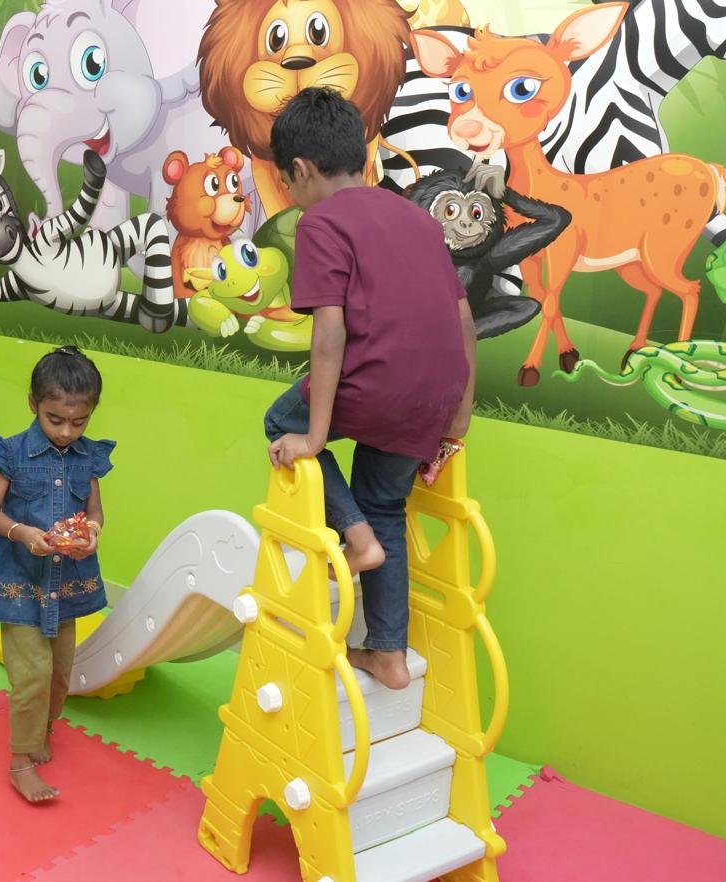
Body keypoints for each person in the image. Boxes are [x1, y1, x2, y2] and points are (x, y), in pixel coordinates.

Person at [263, 87, 476, 690]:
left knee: (281, 423)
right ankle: (389, 655)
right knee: (384, 504)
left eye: (287, 182)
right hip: (432, 398)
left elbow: (330, 330)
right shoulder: (417, 218)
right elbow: (463, 321)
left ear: (301, 170)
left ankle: (356, 540)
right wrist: (458, 419)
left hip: (373, 385)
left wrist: (315, 436)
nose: (291, 193)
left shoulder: (321, 221)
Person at [0, 346, 113, 802]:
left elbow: (94, 511)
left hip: (68, 582)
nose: (67, 431)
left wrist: (91, 532)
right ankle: (20, 761)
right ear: (33, 404)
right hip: (20, 580)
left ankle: (42, 729)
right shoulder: (11, 453)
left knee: (59, 673)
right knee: (32, 674)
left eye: (79, 422)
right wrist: (22, 533)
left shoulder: (88, 457)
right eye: (56, 420)